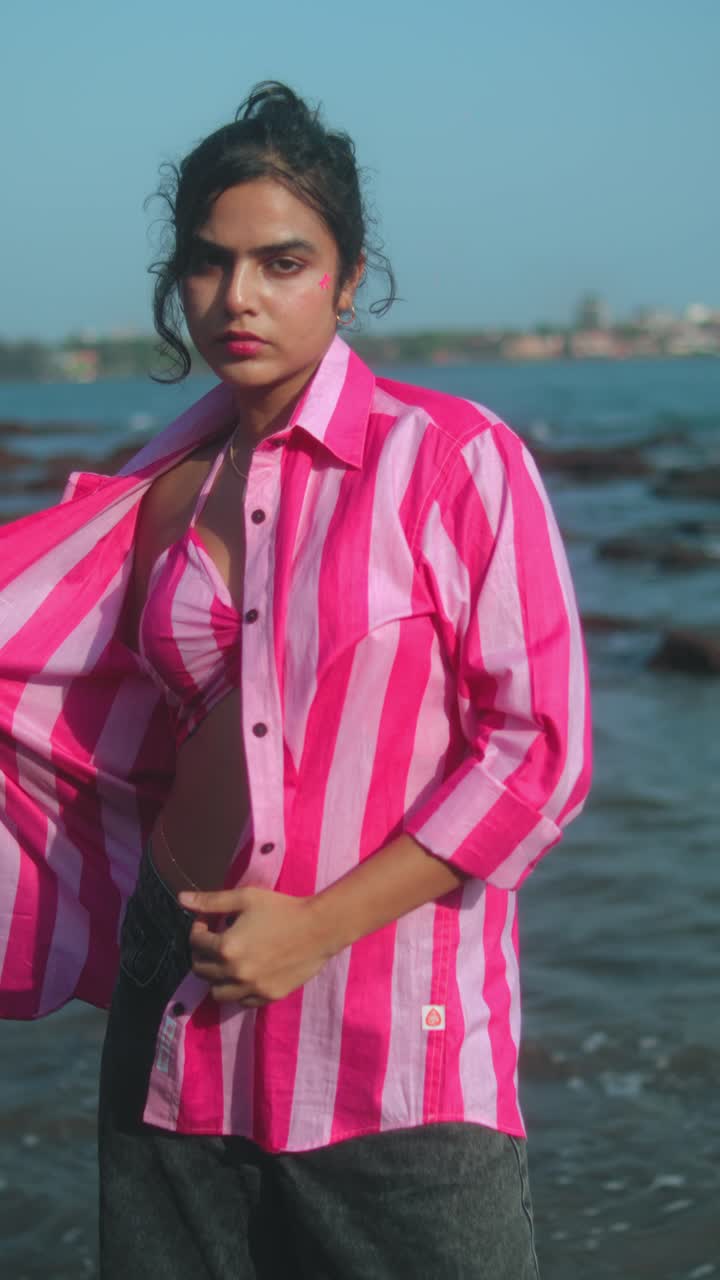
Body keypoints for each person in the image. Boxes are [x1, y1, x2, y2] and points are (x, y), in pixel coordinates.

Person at [0, 81, 592, 1278]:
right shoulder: (162, 490)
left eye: (282, 261)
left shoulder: (453, 461)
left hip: (392, 1028)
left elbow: (538, 750)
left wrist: (314, 928)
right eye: (210, 266)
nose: (240, 297)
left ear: (348, 273)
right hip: (178, 1005)